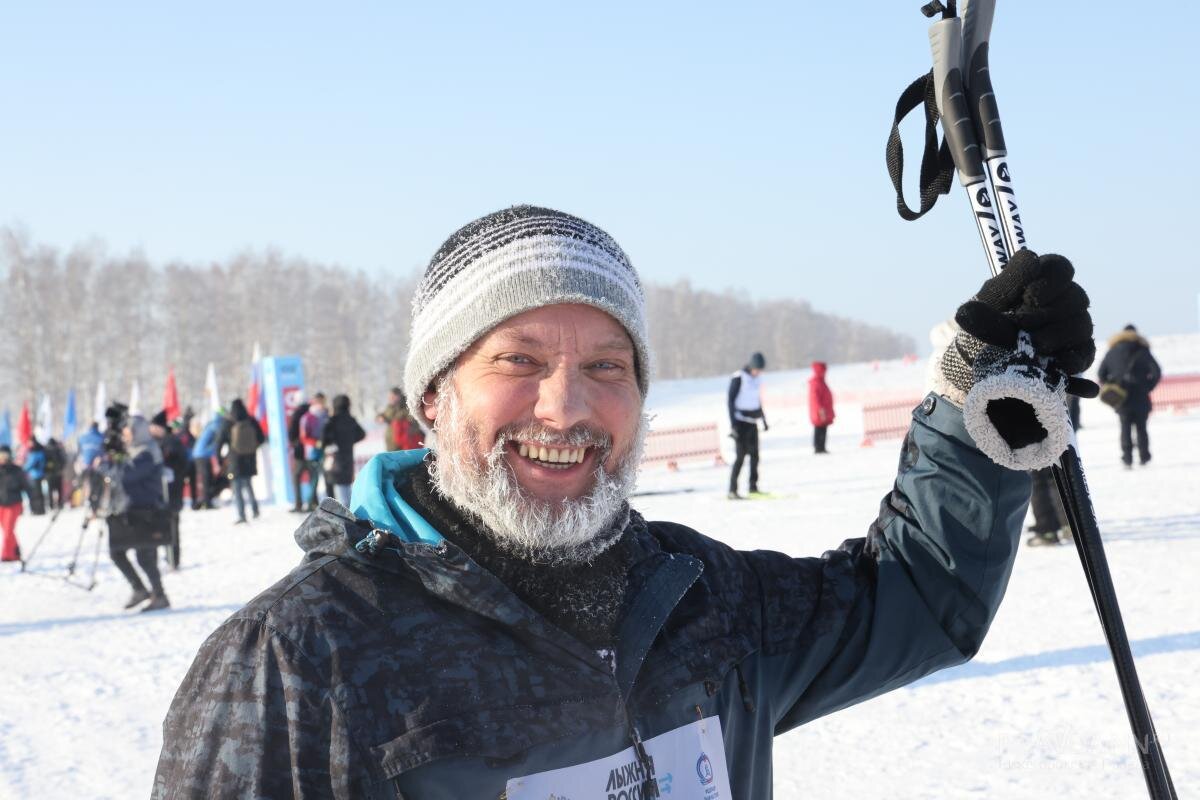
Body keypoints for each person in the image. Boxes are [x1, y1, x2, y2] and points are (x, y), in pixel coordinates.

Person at [154, 208, 1095, 799]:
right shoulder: (302, 654)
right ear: (431, 399)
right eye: (517, 361)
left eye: (607, 367)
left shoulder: (699, 598)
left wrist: (984, 403)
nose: (566, 406)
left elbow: (919, 599)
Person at [100, 413, 171, 611]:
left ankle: (159, 595)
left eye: (128, 432)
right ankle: (140, 589)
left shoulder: (147, 452)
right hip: (129, 509)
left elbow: (126, 477)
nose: (125, 437)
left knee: (145, 556)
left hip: (145, 510)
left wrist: (106, 466)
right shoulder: (134, 451)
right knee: (117, 552)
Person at [1097, 324, 1162, 468]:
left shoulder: (1112, 351)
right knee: (1141, 428)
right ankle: (1144, 457)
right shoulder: (1143, 350)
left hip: (1121, 397)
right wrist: (1147, 387)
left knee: (1125, 427)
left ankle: (1127, 459)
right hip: (1141, 396)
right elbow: (1157, 372)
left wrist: (1112, 385)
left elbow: (1101, 374)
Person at [150, 410, 189, 567]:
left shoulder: (170, 442)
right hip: (162, 492)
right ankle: (169, 556)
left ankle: (174, 558)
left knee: (172, 526)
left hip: (172, 491)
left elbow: (181, 464)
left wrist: (170, 470)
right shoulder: (159, 442)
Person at [218, 399, 265, 525]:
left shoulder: (228, 422)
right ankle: (255, 510)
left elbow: (219, 442)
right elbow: (261, 438)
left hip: (234, 460)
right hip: (249, 458)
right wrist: (251, 447)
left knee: (237, 488)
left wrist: (220, 459)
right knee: (249, 485)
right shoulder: (251, 420)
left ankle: (242, 515)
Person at [727, 352, 767, 498]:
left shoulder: (757, 379)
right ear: (752, 366)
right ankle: (732, 490)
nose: (758, 372)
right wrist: (733, 425)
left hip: (752, 423)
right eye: (757, 369)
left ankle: (753, 487)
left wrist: (764, 419)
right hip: (740, 423)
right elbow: (730, 401)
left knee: (755, 456)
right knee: (740, 457)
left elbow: (756, 400)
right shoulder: (739, 377)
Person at [322, 393, 366, 507]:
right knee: (346, 489)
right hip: (347, 457)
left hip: (333, 459)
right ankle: (349, 513)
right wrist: (349, 441)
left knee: (333, 490)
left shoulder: (332, 421)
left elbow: (324, 439)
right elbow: (362, 434)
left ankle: (342, 517)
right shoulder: (351, 420)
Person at [0, 444, 35, 562]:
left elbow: (27, 487)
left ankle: (6, 555)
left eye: (5, 455)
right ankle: (16, 551)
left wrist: (33, 500)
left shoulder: (16, 470)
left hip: (14, 503)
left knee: (9, 529)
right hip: (1, 504)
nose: (3, 458)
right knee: (6, 530)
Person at [299, 393, 329, 510]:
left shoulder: (326, 415)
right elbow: (303, 437)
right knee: (314, 479)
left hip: (326, 451)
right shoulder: (307, 417)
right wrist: (315, 443)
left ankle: (330, 502)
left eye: (323, 402)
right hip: (313, 453)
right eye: (319, 402)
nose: (321, 405)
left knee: (328, 478)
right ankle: (309, 502)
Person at [190, 411, 225, 509]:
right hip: (203, 455)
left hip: (200, 454)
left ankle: (206, 501)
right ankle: (207, 503)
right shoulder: (216, 426)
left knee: (207, 478)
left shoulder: (212, 425)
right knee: (206, 479)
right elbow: (218, 441)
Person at [378, 385, 423, 451]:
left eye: (392, 396)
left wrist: (404, 431)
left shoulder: (408, 406)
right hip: (391, 443)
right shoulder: (390, 407)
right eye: (389, 397)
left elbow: (415, 423)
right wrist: (380, 417)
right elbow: (384, 415)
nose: (390, 398)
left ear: (398, 396)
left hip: (405, 443)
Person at [77, 421, 106, 512]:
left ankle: (88, 503)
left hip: (85, 467)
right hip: (98, 467)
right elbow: (104, 452)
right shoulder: (102, 437)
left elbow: (80, 452)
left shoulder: (82, 438)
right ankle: (95, 506)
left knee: (87, 485)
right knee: (98, 488)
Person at [808, 360, 835, 454]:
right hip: (820, 411)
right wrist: (820, 410)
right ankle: (818, 447)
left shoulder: (821, 381)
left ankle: (822, 447)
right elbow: (815, 399)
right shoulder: (816, 382)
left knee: (823, 428)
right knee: (819, 428)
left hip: (823, 410)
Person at [22, 437, 47, 515]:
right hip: (38, 474)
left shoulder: (35, 451)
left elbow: (31, 463)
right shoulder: (40, 450)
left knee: (36, 493)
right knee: (38, 493)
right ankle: (40, 509)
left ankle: (38, 510)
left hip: (35, 475)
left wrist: (22, 469)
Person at [43, 437, 66, 510]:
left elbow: (43, 462)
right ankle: (60, 504)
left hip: (49, 474)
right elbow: (63, 461)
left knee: (50, 490)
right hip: (58, 473)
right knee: (59, 489)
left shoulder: (45, 451)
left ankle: (51, 505)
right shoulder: (58, 450)